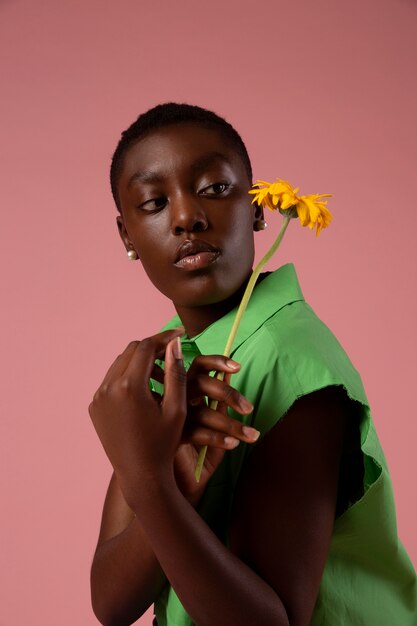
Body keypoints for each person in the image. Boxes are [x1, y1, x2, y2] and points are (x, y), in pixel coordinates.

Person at [88, 103, 417, 626]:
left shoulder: (292, 362)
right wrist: (160, 475)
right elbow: (111, 602)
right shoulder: (179, 368)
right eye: (153, 202)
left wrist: (149, 483)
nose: (186, 217)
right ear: (127, 236)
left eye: (215, 188)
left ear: (259, 207)